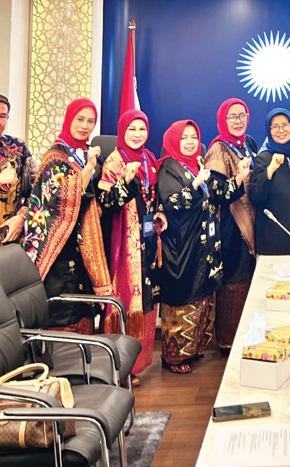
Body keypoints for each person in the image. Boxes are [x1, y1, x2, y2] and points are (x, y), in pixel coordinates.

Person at [23, 98, 111, 332]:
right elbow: (57, 196)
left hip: (84, 243)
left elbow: (99, 192)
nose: (85, 126)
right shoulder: (55, 156)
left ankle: (85, 351)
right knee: (64, 307)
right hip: (60, 245)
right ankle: (62, 352)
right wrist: (88, 168)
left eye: (90, 121)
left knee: (83, 305)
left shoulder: (88, 152)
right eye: (80, 119)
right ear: (69, 119)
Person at [158, 120, 230, 373]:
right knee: (183, 295)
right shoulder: (168, 167)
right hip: (182, 245)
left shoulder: (197, 163)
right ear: (173, 141)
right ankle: (174, 357)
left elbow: (214, 195)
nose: (190, 142)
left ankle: (194, 348)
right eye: (184, 138)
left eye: (193, 137)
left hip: (202, 244)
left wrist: (239, 178)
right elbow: (172, 203)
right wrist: (195, 184)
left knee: (201, 293)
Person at [98, 109, 164, 381]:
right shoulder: (113, 162)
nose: (137, 134)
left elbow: (156, 196)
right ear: (122, 131)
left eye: (142, 129)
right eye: (132, 129)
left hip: (148, 239)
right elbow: (106, 204)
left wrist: (160, 214)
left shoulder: (149, 158)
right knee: (126, 302)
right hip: (124, 242)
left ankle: (138, 363)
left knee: (147, 300)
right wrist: (125, 181)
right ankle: (120, 366)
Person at [203, 98, 256, 355]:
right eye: (232, 116)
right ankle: (227, 342)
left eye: (242, 115)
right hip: (230, 226)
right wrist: (239, 178)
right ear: (223, 120)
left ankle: (245, 336)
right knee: (233, 282)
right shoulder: (218, 149)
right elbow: (215, 193)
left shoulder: (249, 144)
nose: (238, 121)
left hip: (251, 223)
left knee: (248, 281)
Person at [249, 108, 290, 255]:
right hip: (275, 237)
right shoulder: (263, 158)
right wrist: (270, 170)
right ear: (269, 130)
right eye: (275, 126)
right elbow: (256, 196)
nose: (281, 130)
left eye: (285, 125)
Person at [0, 94, 35, 244]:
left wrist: (21, 216)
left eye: (2, 116)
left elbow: (40, 187)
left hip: (11, 236)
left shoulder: (18, 146)